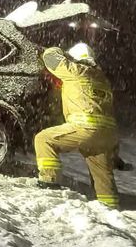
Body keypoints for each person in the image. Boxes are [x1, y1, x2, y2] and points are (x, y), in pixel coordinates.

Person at [34, 42, 120, 207]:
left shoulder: (76, 71)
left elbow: (51, 58)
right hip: (108, 136)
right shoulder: (102, 79)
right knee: (102, 174)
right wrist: (115, 153)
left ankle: (49, 181)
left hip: (85, 128)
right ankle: (110, 207)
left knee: (43, 139)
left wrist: (56, 50)